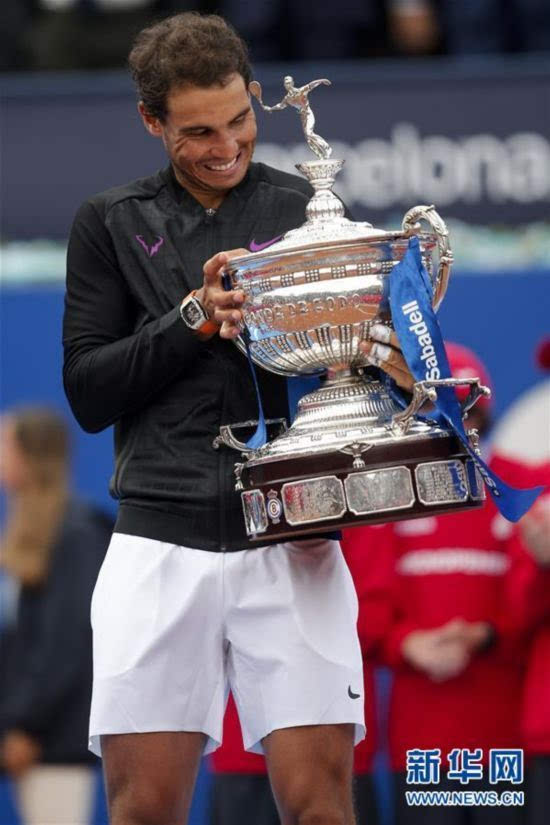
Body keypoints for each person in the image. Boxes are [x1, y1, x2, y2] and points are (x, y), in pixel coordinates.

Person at [62, 12, 413, 825]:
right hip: (158, 542)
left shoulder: (308, 208)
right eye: (198, 132)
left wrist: (396, 367)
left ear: (255, 95)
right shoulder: (108, 221)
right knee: (143, 812)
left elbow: (362, 368)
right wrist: (192, 318)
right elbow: (86, 392)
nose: (226, 147)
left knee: (321, 808)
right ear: (151, 121)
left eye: (238, 120)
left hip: (295, 537)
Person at [343, 343, 534, 825]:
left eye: (467, 410)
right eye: (434, 409)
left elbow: (534, 601)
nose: (453, 424)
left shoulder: (519, 486)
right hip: (420, 740)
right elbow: (364, 605)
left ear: (487, 410)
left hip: (503, 739)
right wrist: (407, 644)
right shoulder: (389, 491)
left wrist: (485, 635)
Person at [0, 406, 112, 825]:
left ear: (31, 456)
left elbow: (65, 645)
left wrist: (26, 725)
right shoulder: (27, 536)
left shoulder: (77, 533)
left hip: (52, 742)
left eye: (5, 445)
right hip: (24, 739)